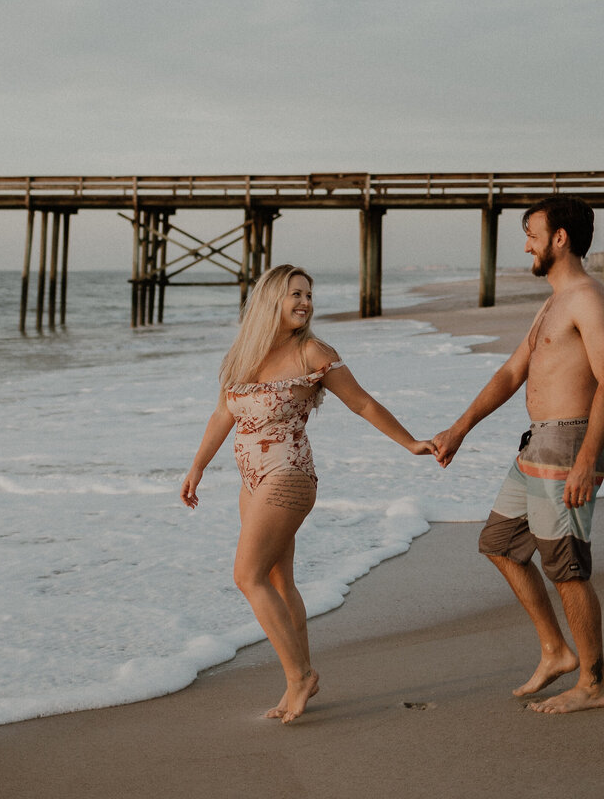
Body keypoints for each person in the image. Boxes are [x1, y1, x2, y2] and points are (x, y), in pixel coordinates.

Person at [181, 264, 436, 723]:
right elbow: (222, 415)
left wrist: (411, 442)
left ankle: (300, 676)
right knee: (278, 581)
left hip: (289, 474)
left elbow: (362, 402)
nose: (305, 303)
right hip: (251, 481)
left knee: (247, 576)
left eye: (308, 295)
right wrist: (197, 467)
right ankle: (299, 676)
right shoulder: (243, 355)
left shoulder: (312, 352)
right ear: (270, 301)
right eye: (295, 294)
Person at [431, 195, 604, 714]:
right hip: (537, 443)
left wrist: (586, 459)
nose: (526, 244)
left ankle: (594, 682)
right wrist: (459, 429)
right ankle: (555, 650)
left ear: (560, 238)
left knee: (566, 567)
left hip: (568, 445)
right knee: (499, 542)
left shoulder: (589, 299)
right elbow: (512, 372)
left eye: (533, 233)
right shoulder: (554, 302)